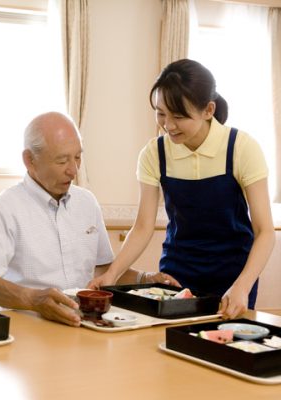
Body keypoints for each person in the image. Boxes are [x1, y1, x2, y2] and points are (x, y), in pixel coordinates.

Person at [89, 59, 275, 319]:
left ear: (208, 110)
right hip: (176, 274)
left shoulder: (241, 148)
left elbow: (265, 231)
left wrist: (242, 286)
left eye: (179, 116)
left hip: (233, 274)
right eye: (161, 113)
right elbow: (143, 226)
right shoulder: (155, 153)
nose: (168, 125)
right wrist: (113, 272)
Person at [0, 112, 176, 326]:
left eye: (78, 157)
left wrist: (145, 279)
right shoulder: (4, 207)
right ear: (30, 160)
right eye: (62, 160)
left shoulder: (87, 202)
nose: (73, 170)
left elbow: (102, 270)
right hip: (31, 325)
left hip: (85, 322)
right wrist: (33, 300)